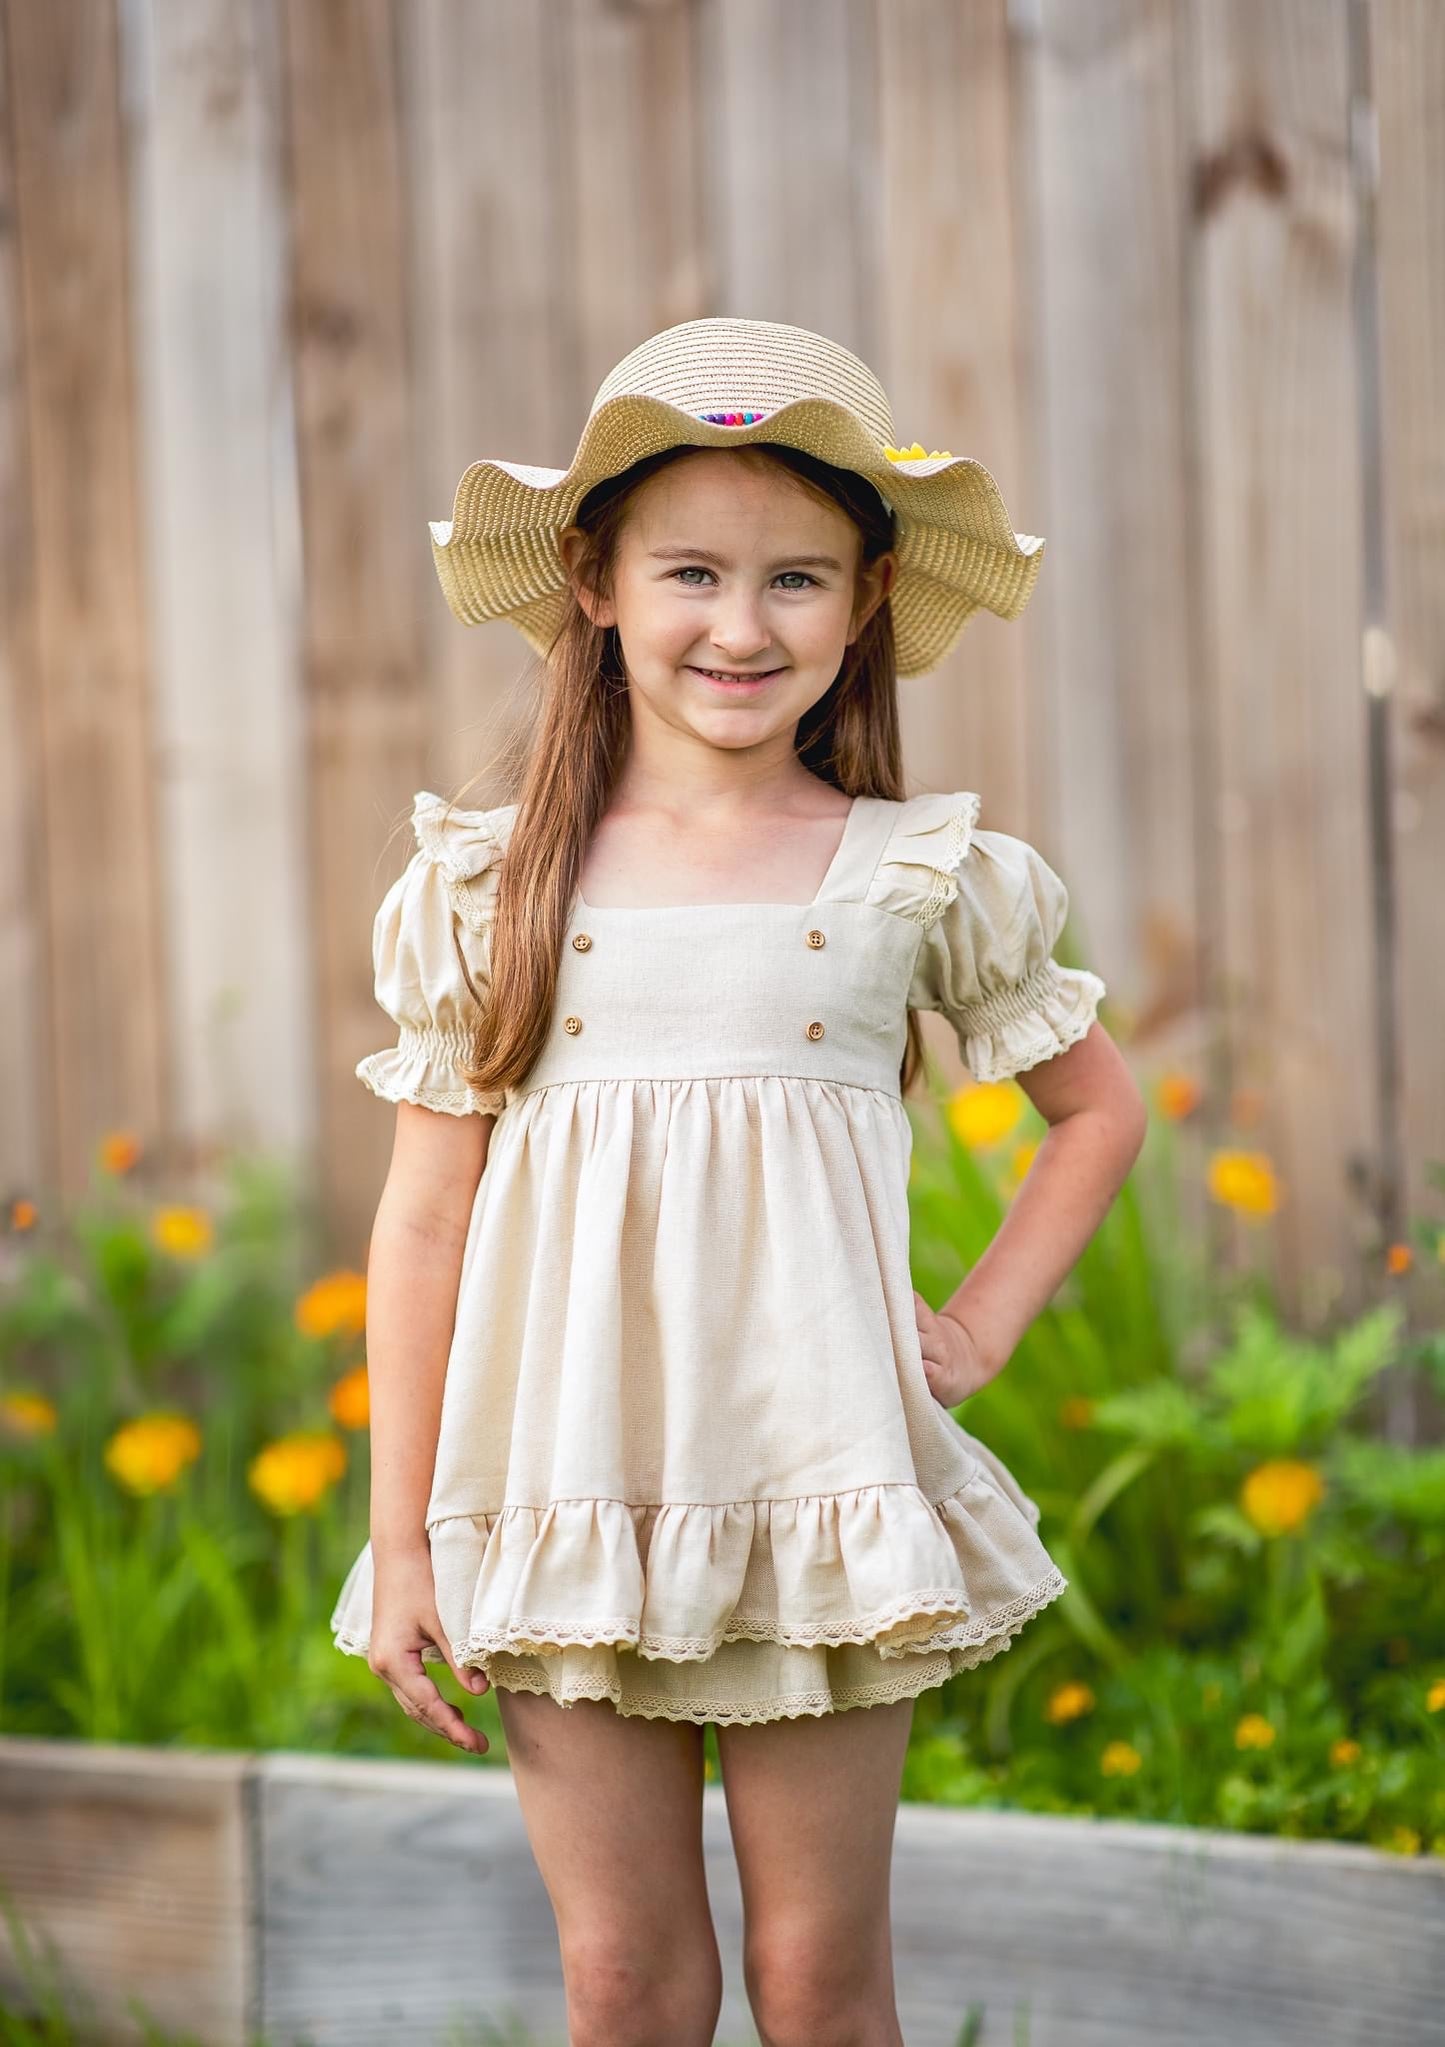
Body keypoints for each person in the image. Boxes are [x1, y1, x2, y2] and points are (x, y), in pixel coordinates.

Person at [331, 316, 1147, 2047]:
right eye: (690, 569)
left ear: (860, 606)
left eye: (794, 579)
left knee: (817, 1982)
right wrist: (403, 1537)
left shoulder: (910, 875)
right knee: (624, 1985)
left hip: (816, 1491)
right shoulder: (494, 888)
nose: (740, 622)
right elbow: (421, 1221)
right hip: (559, 1494)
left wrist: (982, 1329)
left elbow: (1100, 1112)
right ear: (596, 582)